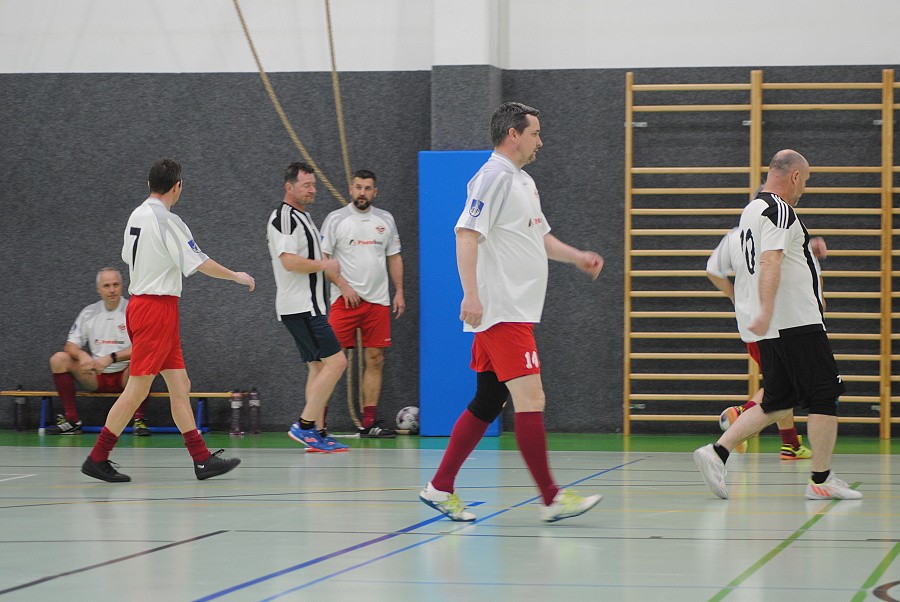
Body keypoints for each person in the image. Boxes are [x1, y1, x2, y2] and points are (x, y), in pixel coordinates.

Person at [418, 102, 605, 523]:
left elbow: (541, 238)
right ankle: (551, 497)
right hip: (502, 309)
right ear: (513, 134)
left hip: (514, 309)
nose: (541, 141)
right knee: (531, 399)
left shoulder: (523, 181)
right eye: (535, 133)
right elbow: (466, 234)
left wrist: (577, 257)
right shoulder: (493, 177)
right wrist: (470, 295)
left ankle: (440, 486)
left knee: (488, 401)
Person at [694, 149, 862, 500]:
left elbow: (774, 260)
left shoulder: (752, 210)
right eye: (806, 181)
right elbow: (771, 260)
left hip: (776, 326)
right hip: (795, 322)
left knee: (778, 399)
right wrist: (767, 310)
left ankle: (717, 452)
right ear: (795, 177)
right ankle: (820, 479)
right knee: (824, 394)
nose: (804, 189)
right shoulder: (780, 208)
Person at [81, 159, 254, 483]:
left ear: (149, 184)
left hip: (147, 307)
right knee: (137, 389)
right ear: (178, 186)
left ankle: (201, 459)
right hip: (155, 310)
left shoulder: (136, 215)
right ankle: (97, 457)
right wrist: (236, 276)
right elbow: (199, 261)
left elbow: (128, 256)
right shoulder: (168, 220)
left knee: (180, 384)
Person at [707, 225, 828, 459]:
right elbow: (811, 277)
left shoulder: (735, 236)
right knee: (786, 387)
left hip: (750, 325)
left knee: (781, 383)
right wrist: (819, 303)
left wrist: (734, 296)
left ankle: (790, 444)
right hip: (785, 323)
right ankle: (742, 414)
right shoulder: (785, 230)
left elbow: (712, 270)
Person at [267, 162, 349, 453]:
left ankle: (316, 433)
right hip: (301, 306)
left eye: (314, 185)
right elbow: (289, 261)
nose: (312, 190)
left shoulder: (304, 217)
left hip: (310, 305)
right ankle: (303, 426)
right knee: (337, 363)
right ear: (289, 187)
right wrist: (325, 264)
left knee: (318, 366)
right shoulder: (284, 217)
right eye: (306, 185)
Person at [320, 169, 405, 438]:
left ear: (374, 192)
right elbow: (324, 261)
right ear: (350, 189)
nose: (362, 193)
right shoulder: (336, 219)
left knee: (375, 359)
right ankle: (317, 425)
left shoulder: (385, 220)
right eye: (358, 187)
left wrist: (399, 291)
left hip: (377, 302)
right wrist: (343, 286)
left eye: (367, 188)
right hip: (343, 301)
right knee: (332, 362)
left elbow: (394, 257)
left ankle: (368, 423)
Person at [48, 268, 151, 436]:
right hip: (96, 376)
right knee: (59, 359)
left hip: (127, 376)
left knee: (145, 359)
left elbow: (144, 347)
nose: (112, 290)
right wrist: (82, 355)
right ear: (98, 289)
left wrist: (111, 358)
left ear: (122, 286)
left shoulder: (134, 309)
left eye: (116, 285)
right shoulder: (89, 312)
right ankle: (73, 420)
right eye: (106, 286)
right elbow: (70, 345)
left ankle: (139, 420)